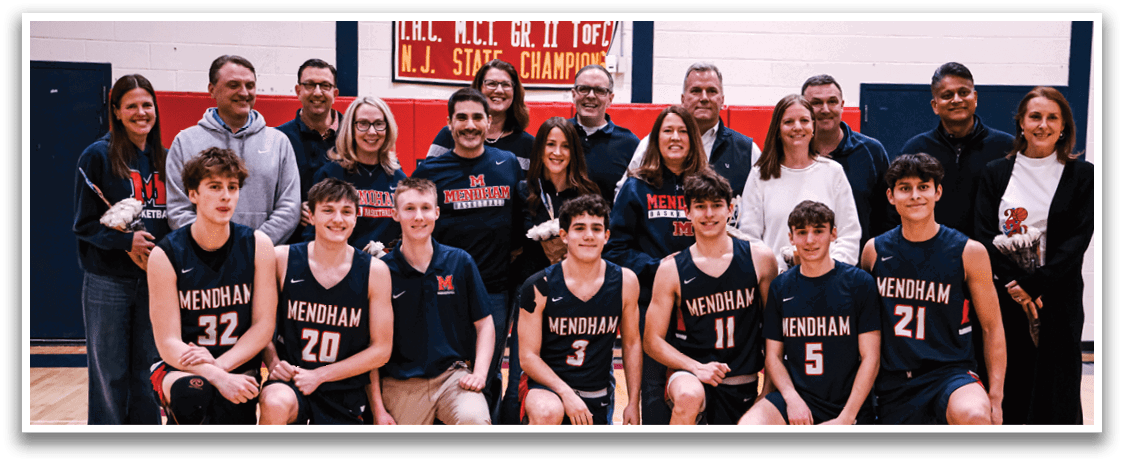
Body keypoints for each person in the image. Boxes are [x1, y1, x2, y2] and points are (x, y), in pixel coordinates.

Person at [974, 87, 1093, 424]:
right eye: (1035, 117)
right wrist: (1014, 283)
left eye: (1052, 117)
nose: (1043, 125)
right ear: (1021, 124)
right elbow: (983, 234)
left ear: (1064, 127)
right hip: (1007, 296)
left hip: (1059, 295)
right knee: (1014, 378)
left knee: (1057, 383)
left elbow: (1077, 239)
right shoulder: (996, 172)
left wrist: (1038, 282)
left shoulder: (1084, 176)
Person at [862, 152, 1006, 425]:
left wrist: (995, 398)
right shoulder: (874, 251)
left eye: (923, 187)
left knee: (974, 414)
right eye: (905, 188)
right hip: (893, 381)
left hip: (950, 375)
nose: (915, 195)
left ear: (937, 192)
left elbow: (992, 327)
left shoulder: (969, 252)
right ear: (891, 196)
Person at [411, 87, 524, 421]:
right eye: (462, 117)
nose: (470, 125)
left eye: (478, 117)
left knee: (484, 376)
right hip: (442, 290)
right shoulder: (431, 171)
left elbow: (519, 226)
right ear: (449, 123)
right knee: (441, 374)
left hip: (493, 291)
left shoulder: (507, 165)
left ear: (489, 123)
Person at [147, 147, 277, 424]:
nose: (226, 196)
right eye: (215, 186)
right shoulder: (165, 254)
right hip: (183, 368)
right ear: (193, 194)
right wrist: (215, 376)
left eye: (232, 187)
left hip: (239, 367)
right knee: (193, 392)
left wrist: (221, 368)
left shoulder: (258, 246)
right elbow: (168, 341)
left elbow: (263, 326)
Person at [644, 169, 778, 425]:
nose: (708, 214)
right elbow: (651, 340)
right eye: (700, 206)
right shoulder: (671, 269)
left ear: (730, 209)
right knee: (687, 395)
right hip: (691, 375)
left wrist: (768, 389)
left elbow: (773, 332)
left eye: (716, 206)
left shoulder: (760, 259)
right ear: (688, 211)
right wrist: (695, 367)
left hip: (743, 378)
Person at [72, 74, 170, 425]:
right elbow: (84, 226)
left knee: (148, 374)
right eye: (131, 106)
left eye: (147, 105)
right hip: (108, 282)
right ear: (116, 111)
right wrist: (125, 242)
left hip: (153, 282)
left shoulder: (165, 157)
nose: (141, 112)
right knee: (109, 375)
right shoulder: (96, 156)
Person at [258, 178, 394, 425]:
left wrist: (319, 375)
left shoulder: (375, 272)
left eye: (346, 212)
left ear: (356, 217)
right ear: (311, 215)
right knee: (274, 401)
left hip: (344, 388)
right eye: (328, 210)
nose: (338, 220)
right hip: (293, 381)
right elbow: (259, 324)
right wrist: (273, 361)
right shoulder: (282, 259)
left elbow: (381, 350)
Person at [604, 105, 709, 424]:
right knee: (652, 392)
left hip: (700, 306)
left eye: (682, 131)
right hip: (650, 306)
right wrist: (661, 267)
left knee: (698, 388)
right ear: (656, 139)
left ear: (692, 139)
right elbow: (615, 250)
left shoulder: (707, 186)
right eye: (667, 131)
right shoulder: (636, 187)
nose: (675, 137)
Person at [739, 200, 880, 425]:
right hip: (797, 397)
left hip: (846, 404)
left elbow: (871, 358)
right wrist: (791, 398)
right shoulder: (780, 287)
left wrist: (846, 418)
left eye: (818, 231)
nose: (810, 240)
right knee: (750, 425)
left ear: (833, 234)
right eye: (802, 232)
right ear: (791, 237)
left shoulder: (859, 283)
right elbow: (774, 356)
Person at [371, 178, 495, 425]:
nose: (419, 216)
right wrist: (377, 409)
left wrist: (479, 373)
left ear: (437, 212)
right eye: (409, 208)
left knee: (475, 420)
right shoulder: (380, 271)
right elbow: (370, 346)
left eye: (426, 208)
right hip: (399, 383)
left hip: (452, 378)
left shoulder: (459, 262)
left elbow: (485, 324)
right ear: (395, 214)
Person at [503, 117, 601, 424]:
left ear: (574, 151)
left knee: (578, 376)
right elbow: (513, 243)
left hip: (575, 298)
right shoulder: (523, 190)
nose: (557, 152)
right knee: (520, 373)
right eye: (550, 145)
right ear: (539, 150)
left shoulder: (587, 193)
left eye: (564, 146)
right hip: (532, 294)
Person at [518, 194, 641, 425]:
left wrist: (633, 402)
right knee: (547, 411)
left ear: (606, 236)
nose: (588, 236)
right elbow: (527, 357)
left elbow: (632, 344)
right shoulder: (538, 286)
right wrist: (565, 394)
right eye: (579, 228)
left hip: (596, 392)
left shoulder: (626, 282)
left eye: (596, 228)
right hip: (547, 389)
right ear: (564, 236)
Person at [165, 54, 301, 245]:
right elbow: (178, 210)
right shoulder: (185, 142)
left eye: (250, 85)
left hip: (261, 257)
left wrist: (252, 246)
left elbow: (289, 208)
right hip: (204, 259)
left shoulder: (278, 142)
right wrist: (215, 246)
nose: (244, 92)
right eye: (233, 85)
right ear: (212, 90)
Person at [737, 94, 861, 274]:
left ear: (813, 127)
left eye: (804, 120)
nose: (797, 127)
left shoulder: (833, 172)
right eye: (788, 122)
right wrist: (778, 273)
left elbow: (849, 234)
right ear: (778, 129)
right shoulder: (760, 175)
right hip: (777, 282)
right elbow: (749, 238)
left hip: (827, 280)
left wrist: (828, 270)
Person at [615, 62, 762, 205]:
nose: (704, 98)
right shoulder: (653, 143)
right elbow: (623, 196)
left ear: (722, 100)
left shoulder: (747, 150)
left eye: (712, 91)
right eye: (696, 91)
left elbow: (761, 205)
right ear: (683, 99)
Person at [900, 62, 1014, 237]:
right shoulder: (915, 150)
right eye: (947, 95)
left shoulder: (1006, 147)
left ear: (975, 98)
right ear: (935, 105)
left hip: (990, 256)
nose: (957, 99)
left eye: (963, 93)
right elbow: (899, 208)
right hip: (931, 254)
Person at [302, 96, 406, 249]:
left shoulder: (398, 178)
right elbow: (312, 236)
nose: (372, 132)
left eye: (379, 124)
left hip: (387, 269)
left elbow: (404, 235)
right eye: (363, 124)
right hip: (340, 267)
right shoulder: (330, 175)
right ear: (350, 128)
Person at [801, 74, 894, 245]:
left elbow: (887, 215)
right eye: (816, 103)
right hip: (802, 264)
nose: (825, 109)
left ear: (842, 105)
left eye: (832, 101)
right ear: (804, 107)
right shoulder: (793, 153)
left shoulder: (872, 152)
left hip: (859, 265)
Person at [425, 59, 535, 176]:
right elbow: (425, 182)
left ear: (515, 92)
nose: (499, 90)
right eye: (491, 83)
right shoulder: (450, 135)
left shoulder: (528, 145)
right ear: (478, 88)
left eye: (506, 84)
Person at [277, 59, 342, 244]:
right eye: (310, 85)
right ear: (298, 91)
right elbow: (266, 194)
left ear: (335, 93)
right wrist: (293, 210)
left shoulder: (354, 135)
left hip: (345, 243)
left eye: (325, 86)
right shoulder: (279, 138)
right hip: (293, 244)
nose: (318, 92)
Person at [568, 64, 639, 207]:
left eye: (600, 90)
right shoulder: (558, 135)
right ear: (574, 94)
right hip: (559, 227)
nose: (591, 96)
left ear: (610, 99)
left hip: (609, 228)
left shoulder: (629, 144)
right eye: (584, 89)